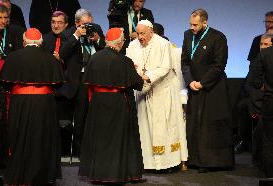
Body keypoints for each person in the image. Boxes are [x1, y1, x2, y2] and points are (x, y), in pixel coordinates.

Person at [79, 27, 145, 184]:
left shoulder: (95, 58)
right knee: (117, 140)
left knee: (100, 138)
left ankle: (98, 174)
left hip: (98, 103)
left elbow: (88, 82)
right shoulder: (124, 61)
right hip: (118, 104)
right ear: (120, 43)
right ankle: (115, 174)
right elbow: (138, 83)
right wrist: (138, 74)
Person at [0, 28, 64, 186]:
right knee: (43, 137)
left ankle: (20, 174)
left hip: (20, 103)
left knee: (20, 136)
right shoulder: (50, 58)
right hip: (44, 103)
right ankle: (43, 176)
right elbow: (59, 82)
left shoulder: (13, 57)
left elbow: (4, 82)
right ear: (41, 41)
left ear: (24, 42)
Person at [126, 20, 188, 171]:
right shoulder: (132, 45)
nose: (140, 37)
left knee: (164, 127)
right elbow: (129, 64)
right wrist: (137, 74)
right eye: (138, 33)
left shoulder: (162, 44)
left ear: (151, 32)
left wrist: (147, 76)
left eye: (143, 34)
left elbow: (165, 68)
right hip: (141, 92)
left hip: (162, 91)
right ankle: (147, 163)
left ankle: (166, 163)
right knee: (144, 128)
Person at [181, 9, 234, 173]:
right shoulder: (188, 35)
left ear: (205, 22)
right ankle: (196, 160)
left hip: (213, 88)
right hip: (194, 87)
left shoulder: (218, 37)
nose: (192, 27)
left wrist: (202, 83)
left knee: (210, 125)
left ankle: (213, 162)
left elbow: (219, 65)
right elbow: (184, 61)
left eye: (195, 24)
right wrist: (190, 81)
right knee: (194, 124)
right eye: (190, 24)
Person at [59, 9, 105, 159]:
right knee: (79, 117)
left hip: (95, 78)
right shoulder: (68, 34)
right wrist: (77, 36)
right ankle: (79, 152)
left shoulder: (96, 29)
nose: (88, 27)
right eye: (85, 24)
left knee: (95, 116)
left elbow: (105, 50)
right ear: (77, 23)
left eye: (90, 23)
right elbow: (62, 54)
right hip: (79, 80)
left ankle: (95, 149)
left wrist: (98, 40)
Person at [235, 33, 273, 154]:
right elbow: (249, 84)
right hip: (257, 99)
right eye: (261, 44)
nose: (263, 47)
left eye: (266, 44)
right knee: (243, 105)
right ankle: (244, 140)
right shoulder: (255, 62)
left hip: (270, 99)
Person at [42, 10, 74, 157]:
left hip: (67, 86)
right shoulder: (45, 39)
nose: (56, 25)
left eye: (59, 22)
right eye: (53, 22)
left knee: (66, 123)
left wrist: (61, 59)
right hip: (49, 88)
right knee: (49, 123)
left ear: (66, 24)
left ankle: (66, 153)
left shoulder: (71, 39)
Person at [0, 3, 24, 171]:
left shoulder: (15, 30)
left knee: (7, 120)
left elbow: (20, 56)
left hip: (8, 82)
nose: (2, 21)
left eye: (5, 18)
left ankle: (7, 158)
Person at [251, 20, 273, 178]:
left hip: (272, 100)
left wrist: (267, 87)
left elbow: (255, 81)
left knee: (269, 140)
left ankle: (271, 176)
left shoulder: (266, 53)